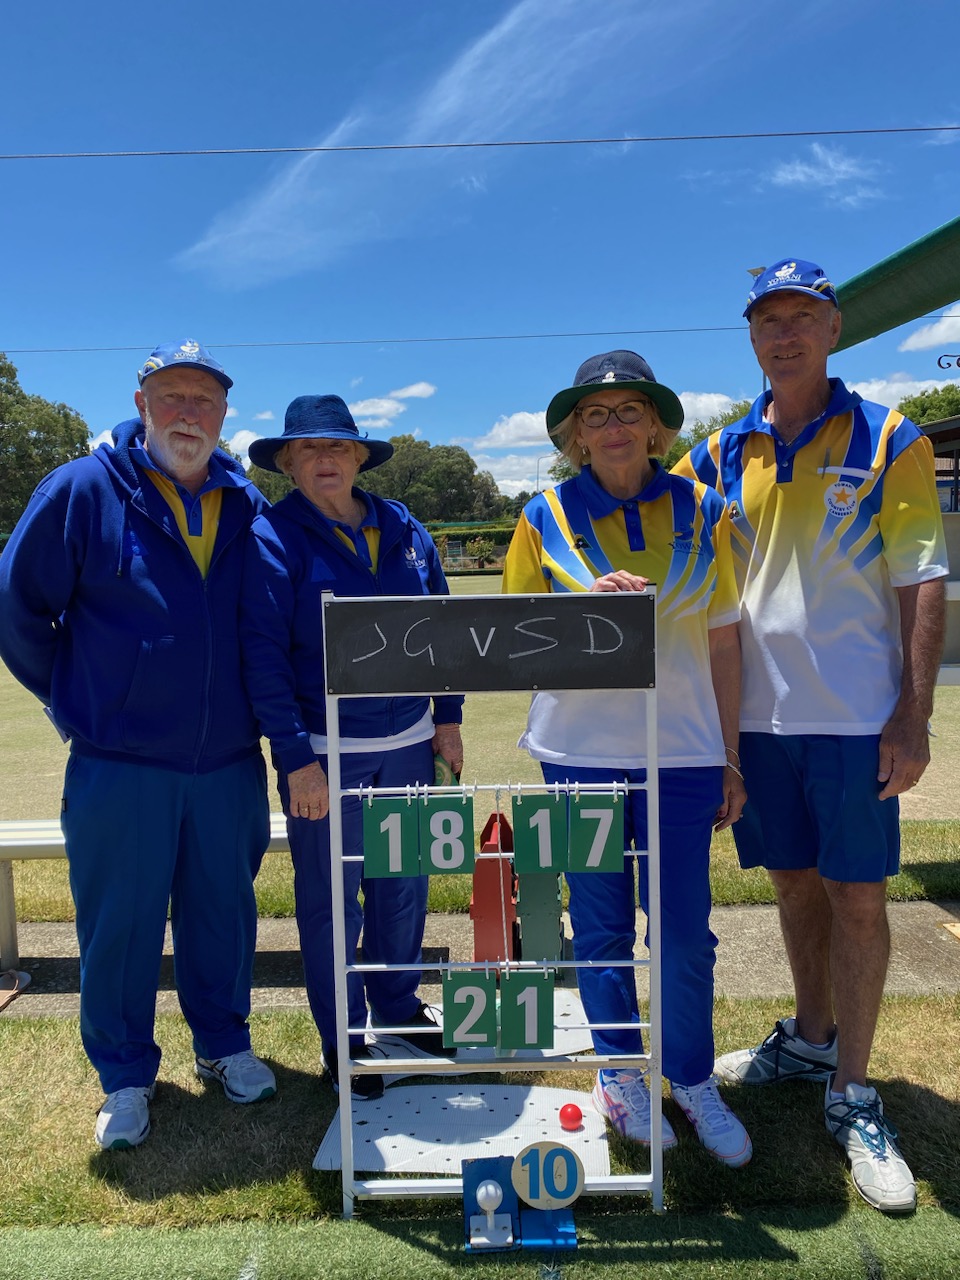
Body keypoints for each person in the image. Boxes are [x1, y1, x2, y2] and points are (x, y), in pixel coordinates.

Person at [675, 259, 949, 1214]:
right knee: (794, 885)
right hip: (753, 723)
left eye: (803, 316)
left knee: (860, 900)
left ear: (834, 329)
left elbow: (922, 578)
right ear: (751, 335)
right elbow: (635, 507)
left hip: (854, 720)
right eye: (767, 319)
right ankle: (813, 1037)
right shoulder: (715, 455)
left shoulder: (889, 437)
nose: (784, 333)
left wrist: (913, 716)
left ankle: (856, 1092)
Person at [0, 340, 276, 1150]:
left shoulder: (246, 501)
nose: (188, 414)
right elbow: (18, 610)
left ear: (224, 415)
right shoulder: (83, 487)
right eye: (171, 397)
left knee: (222, 912)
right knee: (119, 926)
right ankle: (124, 1075)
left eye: (204, 401)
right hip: (118, 765)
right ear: (141, 400)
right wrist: (81, 702)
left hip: (226, 763)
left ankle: (224, 1045)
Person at [502, 351, 751, 1166]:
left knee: (683, 929)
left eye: (627, 411)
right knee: (600, 927)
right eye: (595, 415)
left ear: (655, 425)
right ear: (575, 437)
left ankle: (690, 1076)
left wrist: (730, 754)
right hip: (575, 751)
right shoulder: (540, 515)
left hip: (681, 752)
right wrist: (578, 613)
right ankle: (619, 1072)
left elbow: (723, 640)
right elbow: (512, 642)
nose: (613, 426)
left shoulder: (707, 508)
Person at [242, 395, 464, 1100]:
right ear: (286, 464)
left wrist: (448, 716)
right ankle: (346, 1036)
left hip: (408, 746)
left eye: (339, 447)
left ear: (362, 456)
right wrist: (295, 760)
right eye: (308, 450)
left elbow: (444, 624)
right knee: (332, 903)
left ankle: (398, 1006)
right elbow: (264, 660)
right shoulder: (270, 537)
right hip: (324, 756)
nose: (326, 460)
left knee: (403, 888)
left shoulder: (403, 526)